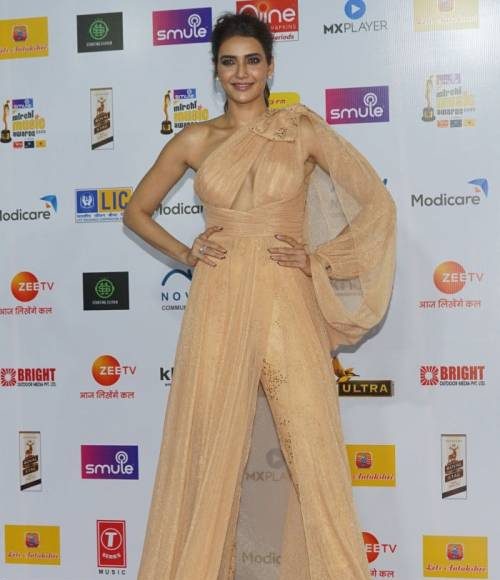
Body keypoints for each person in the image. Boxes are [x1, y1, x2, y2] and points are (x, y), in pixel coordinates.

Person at [123, 11, 396, 580]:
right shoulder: (196, 139)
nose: (241, 73)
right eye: (229, 62)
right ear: (216, 70)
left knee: (314, 447)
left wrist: (320, 259)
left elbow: (376, 203)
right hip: (218, 300)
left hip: (283, 299)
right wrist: (186, 253)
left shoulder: (301, 130)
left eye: (252, 60)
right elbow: (136, 211)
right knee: (207, 452)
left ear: (271, 67)